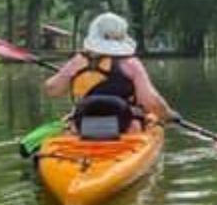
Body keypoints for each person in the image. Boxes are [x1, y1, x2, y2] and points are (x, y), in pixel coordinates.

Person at [44, 12, 172, 136]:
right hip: (125, 126)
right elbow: (151, 102)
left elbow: (52, 89)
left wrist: (71, 76)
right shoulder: (131, 63)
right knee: (140, 120)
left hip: (83, 126)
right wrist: (168, 115)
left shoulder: (79, 61)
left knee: (73, 121)